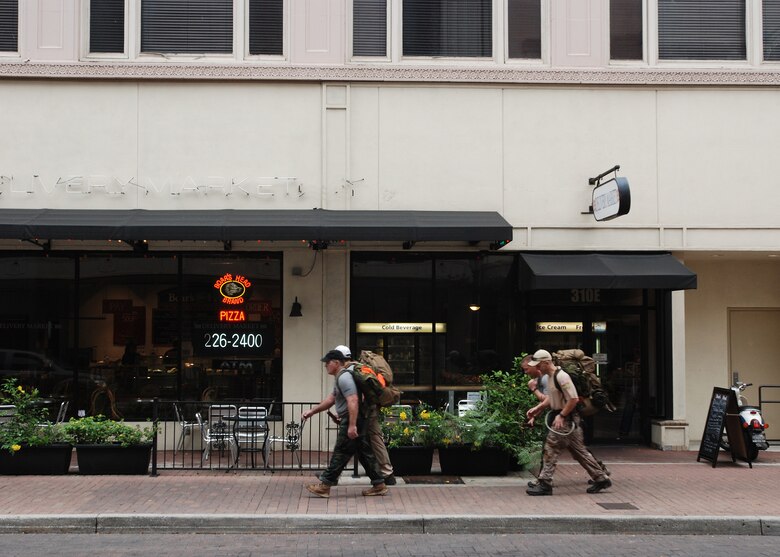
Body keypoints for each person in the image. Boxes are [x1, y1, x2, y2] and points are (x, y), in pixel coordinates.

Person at [302, 347, 388, 498]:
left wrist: (352, 424)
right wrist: (312, 411)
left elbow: (353, 400)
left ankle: (325, 485)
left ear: (336, 362)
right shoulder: (340, 377)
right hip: (355, 418)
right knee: (364, 452)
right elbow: (331, 400)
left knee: (341, 451)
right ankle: (379, 484)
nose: (325, 365)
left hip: (353, 419)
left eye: (327, 362)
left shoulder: (344, 378)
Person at [525, 349, 612, 496]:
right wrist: (537, 409)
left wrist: (562, 415)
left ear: (546, 362)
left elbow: (573, 399)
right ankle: (601, 478)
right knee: (579, 452)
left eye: (539, 365)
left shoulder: (562, 377)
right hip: (567, 418)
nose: (537, 368)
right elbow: (551, 398)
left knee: (550, 448)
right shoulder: (551, 376)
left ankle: (545, 482)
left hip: (565, 420)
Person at [335, 345, 397, 486]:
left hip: (364, 412)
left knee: (349, 443)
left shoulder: (349, 371)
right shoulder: (359, 367)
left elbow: (355, 397)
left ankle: (332, 476)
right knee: (374, 439)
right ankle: (387, 474)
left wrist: (351, 415)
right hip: (371, 408)